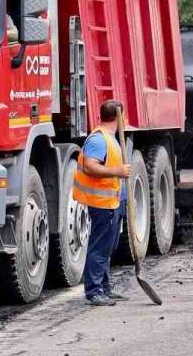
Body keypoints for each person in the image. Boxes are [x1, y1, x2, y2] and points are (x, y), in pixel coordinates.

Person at [72, 99, 132, 306]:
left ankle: (104, 288)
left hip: (112, 202)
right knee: (99, 248)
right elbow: (90, 167)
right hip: (101, 204)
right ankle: (94, 291)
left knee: (108, 247)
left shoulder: (110, 138)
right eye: (124, 116)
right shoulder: (98, 139)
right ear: (118, 117)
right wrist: (118, 171)